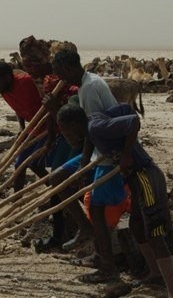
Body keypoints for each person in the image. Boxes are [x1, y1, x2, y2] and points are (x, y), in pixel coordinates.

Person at [57, 102, 173, 298]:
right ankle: (155, 273)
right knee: (137, 226)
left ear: (75, 124)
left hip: (145, 176)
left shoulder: (96, 127)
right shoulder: (93, 125)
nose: (66, 136)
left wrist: (127, 154)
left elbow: (133, 120)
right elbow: (126, 108)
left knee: (154, 234)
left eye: (66, 131)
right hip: (136, 179)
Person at [47, 49, 127, 282]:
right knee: (57, 179)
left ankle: (107, 267)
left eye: (61, 73)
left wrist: (84, 162)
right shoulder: (84, 85)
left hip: (108, 152)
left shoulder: (90, 88)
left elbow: (95, 129)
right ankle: (85, 228)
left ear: (70, 68)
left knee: (98, 210)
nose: (60, 79)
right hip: (97, 150)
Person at [18, 36, 94, 252]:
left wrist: (53, 113)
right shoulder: (49, 80)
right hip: (63, 136)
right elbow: (53, 117)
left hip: (79, 138)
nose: (29, 68)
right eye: (25, 63)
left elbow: (72, 115)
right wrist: (50, 139)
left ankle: (77, 231)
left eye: (33, 63)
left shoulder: (61, 80)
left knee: (62, 183)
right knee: (56, 183)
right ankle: (64, 233)